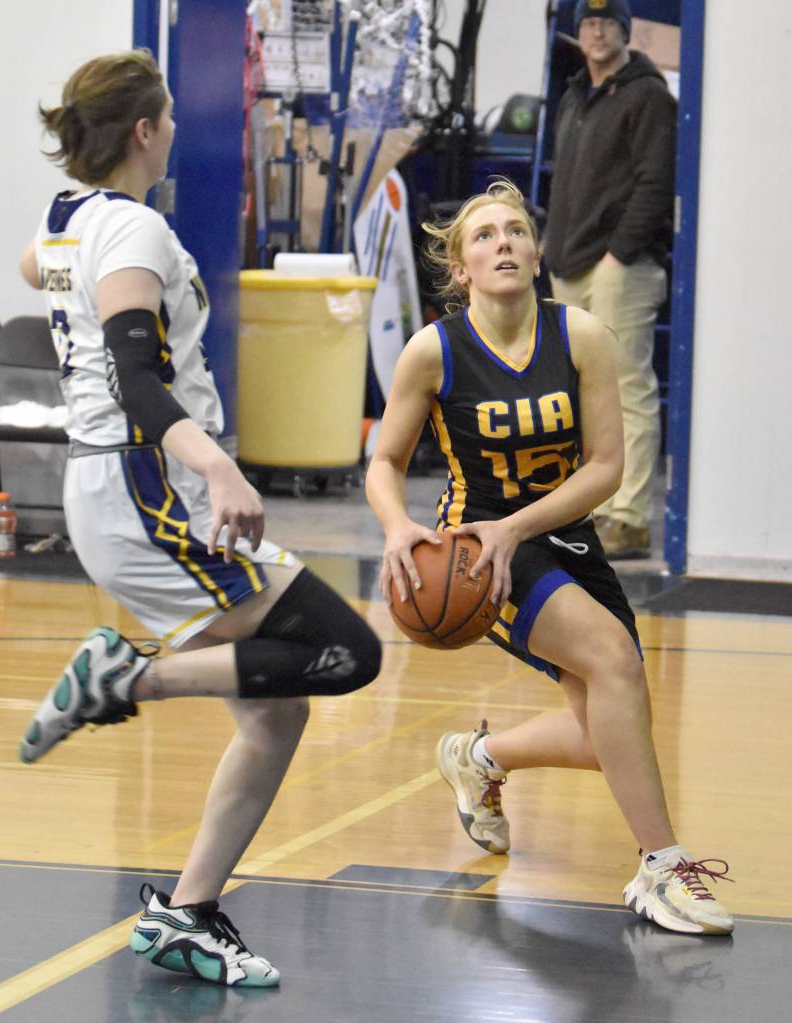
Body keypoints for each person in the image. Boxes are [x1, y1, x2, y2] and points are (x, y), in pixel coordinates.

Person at [18, 50, 381, 988]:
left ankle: (189, 910)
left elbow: (36, 266)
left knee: (276, 717)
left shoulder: (68, 223)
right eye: (169, 116)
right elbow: (138, 380)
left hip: (116, 488)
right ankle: (125, 679)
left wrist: (69, 276)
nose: (177, 129)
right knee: (348, 650)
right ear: (145, 130)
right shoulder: (133, 230)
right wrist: (218, 465)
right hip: (148, 488)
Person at [364, 178, 734, 936]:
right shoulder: (433, 351)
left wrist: (522, 526)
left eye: (516, 231)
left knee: (614, 726)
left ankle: (478, 756)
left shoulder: (581, 335)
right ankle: (662, 865)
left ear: (536, 254)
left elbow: (605, 467)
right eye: (484, 236)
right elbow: (383, 461)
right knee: (616, 665)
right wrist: (399, 527)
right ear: (461, 268)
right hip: (479, 550)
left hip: (555, 532)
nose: (504, 242)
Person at [543, 0, 677, 559]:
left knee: (627, 390)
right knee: (579, 395)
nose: (597, 32)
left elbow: (655, 181)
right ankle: (593, 509)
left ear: (625, 31)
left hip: (618, 267)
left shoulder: (648, 96)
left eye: (608, 23)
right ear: (578, 34)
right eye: (588, 23)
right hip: (568, 264)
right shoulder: (576, 96)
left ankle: (630, 518)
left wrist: (618, 256)